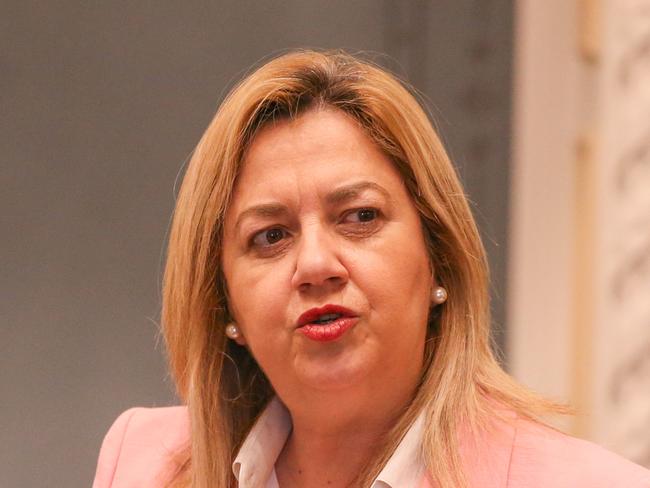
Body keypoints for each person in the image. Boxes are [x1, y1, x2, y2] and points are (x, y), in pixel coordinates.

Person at [92, 50, 650, 488]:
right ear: (224, 305)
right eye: (270, 236)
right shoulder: (142, 464)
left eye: (360, 216)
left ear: (440, 259)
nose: (314, 265)